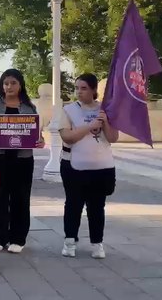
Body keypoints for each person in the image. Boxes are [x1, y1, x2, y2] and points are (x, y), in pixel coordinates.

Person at [0, 69, 45, 253]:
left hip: (22, 160)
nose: (9, 86)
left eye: (13, 83)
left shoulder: (29, 107)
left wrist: (39, 140)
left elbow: (35, 132)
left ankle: (18, 238)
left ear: (20, 85)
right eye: (6, 83)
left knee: (21, 199)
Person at [59, 74, 118, 259]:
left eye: (83, 88)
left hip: (102, 167)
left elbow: (113, 138)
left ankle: (97, 243)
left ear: (94, 90)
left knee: (97, 207)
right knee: (73, 205)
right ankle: (70, 241)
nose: (79, 92)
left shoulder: (105, 109)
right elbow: (67, 137)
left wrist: (105, 121)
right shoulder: (68, 110)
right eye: (77, 88)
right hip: (74, 167)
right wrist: (89, 126)